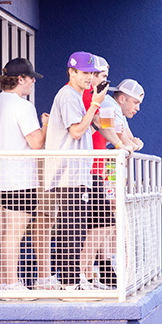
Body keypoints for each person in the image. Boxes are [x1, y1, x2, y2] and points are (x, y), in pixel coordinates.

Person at [42, 51, 128, 290]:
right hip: (67, 173)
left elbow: (94, 126)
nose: (89, 78)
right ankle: (69, 283)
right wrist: (96, 105)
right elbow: (76, 131)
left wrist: (121, 143)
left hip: (77, 173)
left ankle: (74, 280)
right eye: (84, 73)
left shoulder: (78, 96)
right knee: (71, 229)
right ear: (72, 72)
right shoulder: (69, 95)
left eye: (92, 73)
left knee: (76, 228)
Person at [0, 58, 50, 292]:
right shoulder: (23, 106)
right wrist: (46, 125)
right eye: (31, 78)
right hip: (19, 177)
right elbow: (36, 143)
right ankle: (12, 283)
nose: (33, 82)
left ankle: (1, 282)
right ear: (20, 79)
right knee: (14, 233)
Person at [78, 76, 147, 288]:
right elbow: (122, 139)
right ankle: (85, 274)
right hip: (94, 170)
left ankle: (96, 272)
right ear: (123, 98)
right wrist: (127, 144)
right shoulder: (107, 104)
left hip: (99, 170)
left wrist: (128, 143)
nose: (137, 108)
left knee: (106, 224)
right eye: (135, 103)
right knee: (103, 224)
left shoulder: (111, 107)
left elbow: (130, 140)